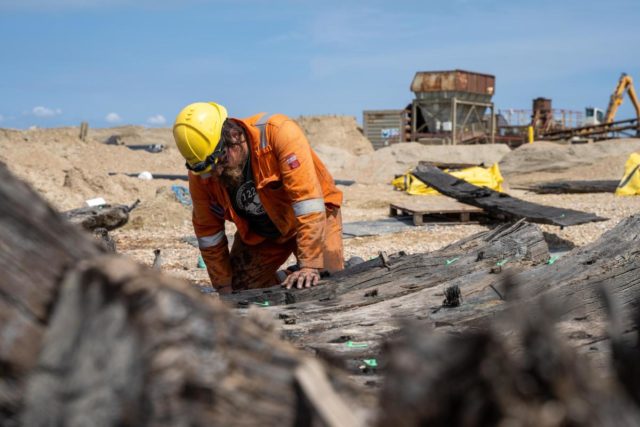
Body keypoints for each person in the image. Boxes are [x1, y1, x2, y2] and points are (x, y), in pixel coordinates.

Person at [172, 102, 344, 293]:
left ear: (234, 136)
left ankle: (328, 269)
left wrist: (310, 265)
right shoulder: (202, 173)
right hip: (263, 234)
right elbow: (208, 234)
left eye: (221, 161)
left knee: (327, 286)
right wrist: (224, 287)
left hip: (317, 220)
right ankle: (287, 278)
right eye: (210, 170)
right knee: (240, 290)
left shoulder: (278, 133)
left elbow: (308, 202)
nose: (218, 171)